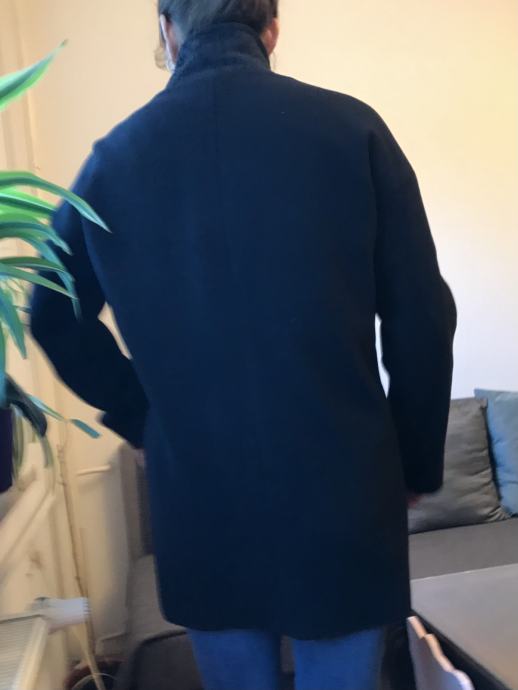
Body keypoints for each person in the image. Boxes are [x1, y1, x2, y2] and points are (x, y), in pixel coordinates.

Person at [30, 1, 457, 688]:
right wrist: (413, 462)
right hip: (343, 488)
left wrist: (143, 416)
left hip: (201, 496)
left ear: (168, 30)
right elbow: (423, 317)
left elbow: (51, 312)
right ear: (271, 29)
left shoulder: (115, 160)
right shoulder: (352, 130)